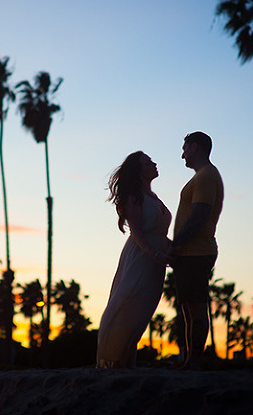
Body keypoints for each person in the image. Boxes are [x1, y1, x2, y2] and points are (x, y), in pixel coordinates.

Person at [96, 151, 173, 368]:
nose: (155, 163)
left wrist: (171, 248)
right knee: (129, 302)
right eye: (149, 162)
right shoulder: (134, 196)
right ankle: (113, 359)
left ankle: (127, 360)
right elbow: (138, 232)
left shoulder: (154, 198)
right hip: (140, 257)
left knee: (143, 310)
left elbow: (158, 232)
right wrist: (154, 253)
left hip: (156, 262)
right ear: (139, 171)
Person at [167, 131, 224, 370]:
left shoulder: (206, 177)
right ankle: (192, 360)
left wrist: (176, 244)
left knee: (196, 307)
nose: (182, 155)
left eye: (185, 148)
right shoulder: (201, 177)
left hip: (196, 252)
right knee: (189, 308)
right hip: (189, 253)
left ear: (197, 147)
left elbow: (199, 215)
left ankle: (195, 361)